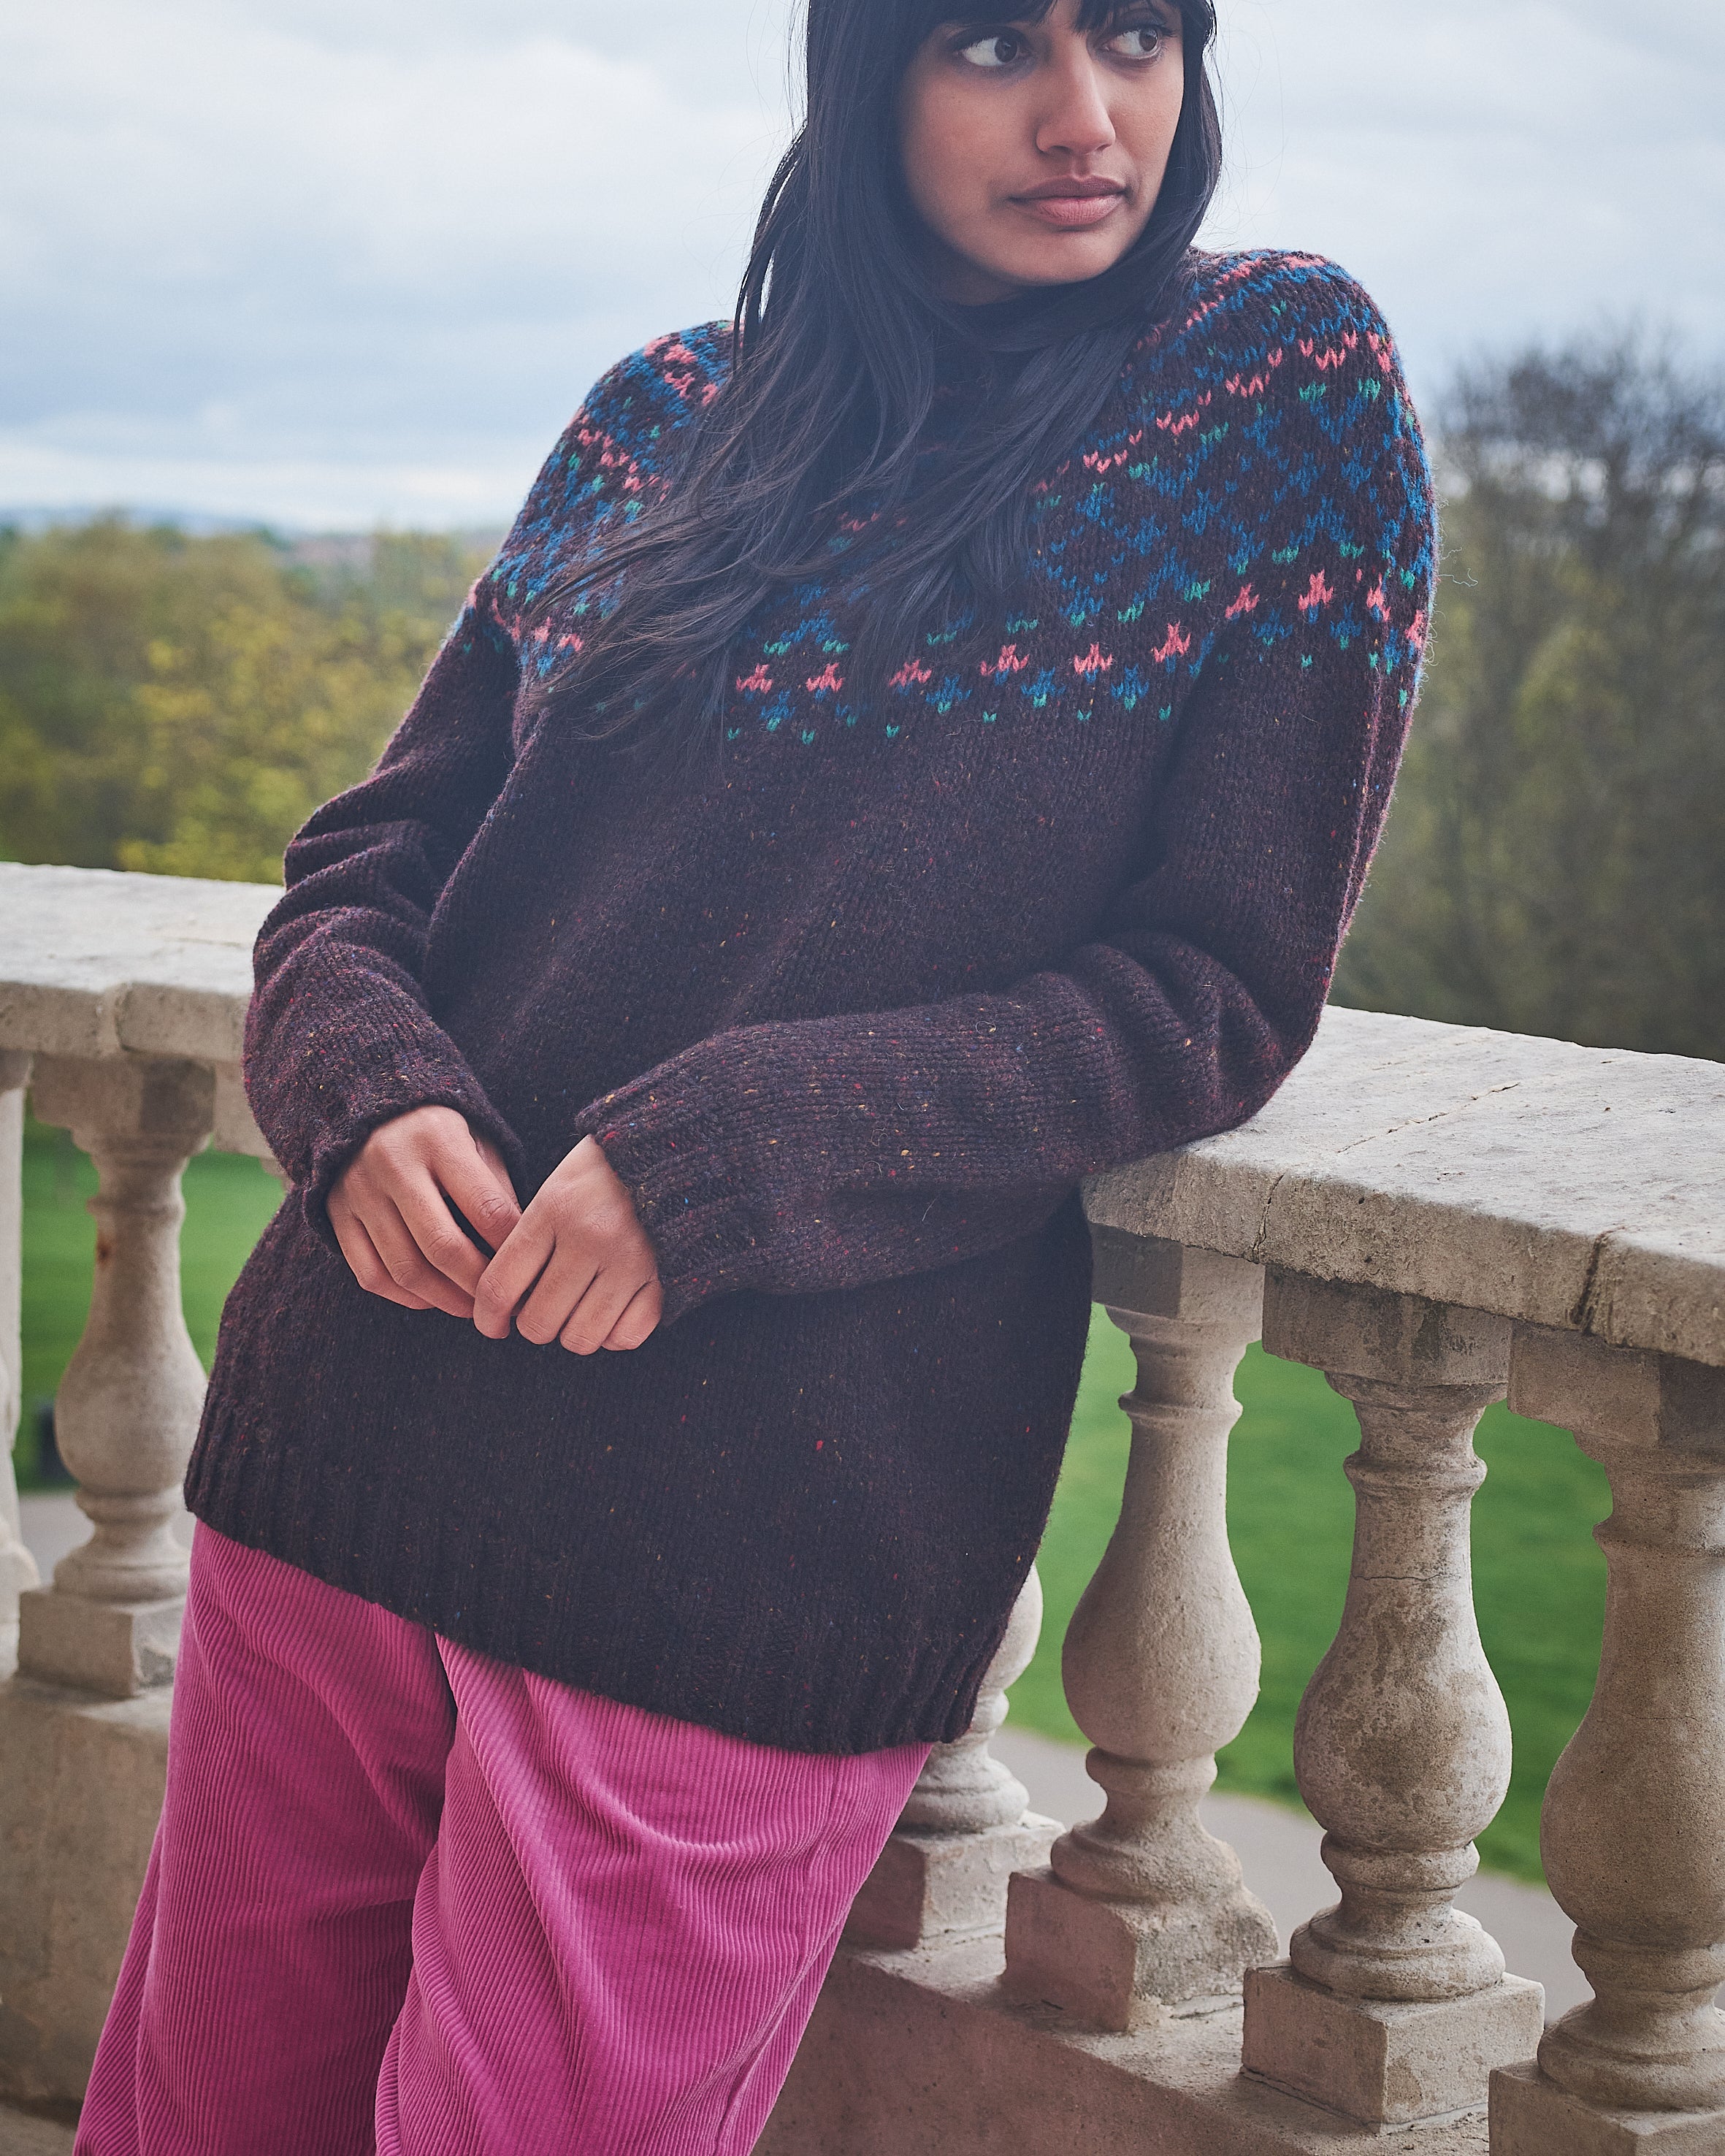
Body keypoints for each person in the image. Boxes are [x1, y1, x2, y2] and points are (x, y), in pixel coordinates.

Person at [78, 0, 1435, 2149]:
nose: (1091, 115)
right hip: (343, 1438)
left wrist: (732, 1151)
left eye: (1145, 36)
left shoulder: (1267, 385)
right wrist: (360, 1081)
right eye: (996, 42)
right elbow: (373, 857)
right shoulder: (659, 415)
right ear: (864, 67)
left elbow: (1211, 989)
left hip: (744, 1528)